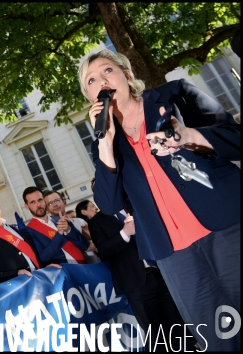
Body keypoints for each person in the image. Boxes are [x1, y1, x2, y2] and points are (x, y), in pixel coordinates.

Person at [79, 49, 240, 351]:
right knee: (220, 338)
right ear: (90, 99)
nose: (101, 81)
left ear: (126, 75)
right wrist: (105, 145)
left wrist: (190, 135)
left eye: (107, 71)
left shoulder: (176, 96)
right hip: (174, 257)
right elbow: (110, 204)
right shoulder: (103, 145)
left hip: (226, 227)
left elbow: (235, 137)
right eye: (91, 80)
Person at [76, 199, 195, 351]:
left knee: (178, 322)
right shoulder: (97, 221)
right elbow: (104, 250)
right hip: (135, 283)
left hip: (161, 273)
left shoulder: (134, 205)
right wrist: (124, 233)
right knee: (154, 332)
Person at [22, 187, 90, 266]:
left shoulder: (60, 219)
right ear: (27, 206)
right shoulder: (27, 231)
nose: (38, 205)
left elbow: (85, 245)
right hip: (62, 274)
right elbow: (42, 258)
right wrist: (59, 234)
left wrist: (68, 230)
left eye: (40, 200)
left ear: (44, 200)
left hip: (84, 266)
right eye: (33, 202)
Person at [43, 190, 100, 263]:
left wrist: (91, 239)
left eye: (57, 200)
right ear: (47, 209)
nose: (54, 205)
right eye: (50, 204)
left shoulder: (80, 222)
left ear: (64, 202)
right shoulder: (49, 230)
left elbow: (98, 245)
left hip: (96, 264)